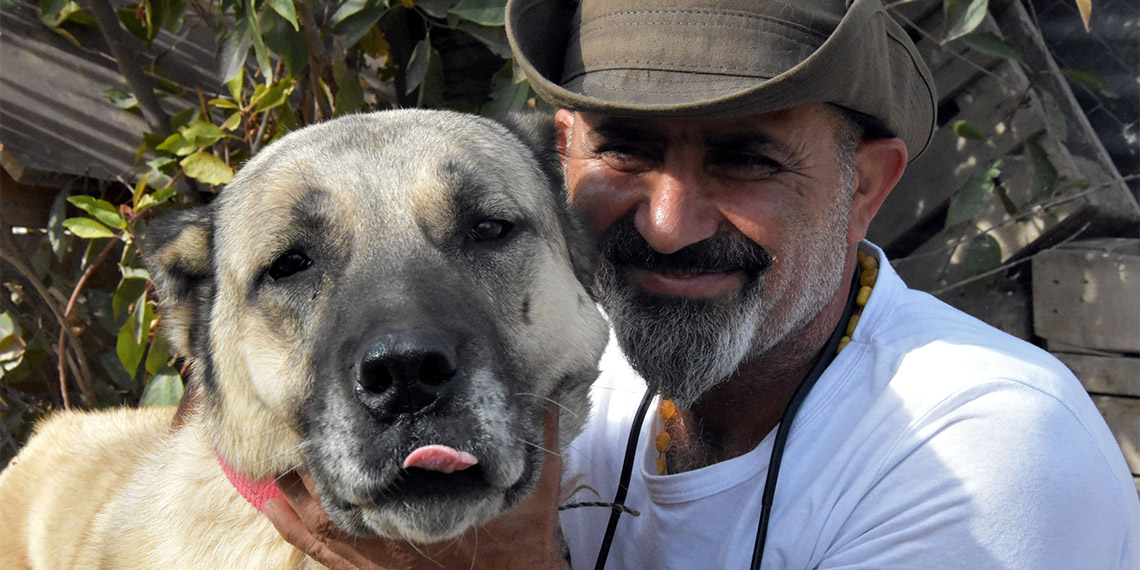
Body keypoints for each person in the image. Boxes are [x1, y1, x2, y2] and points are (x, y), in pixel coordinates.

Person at [263, 0, 1140, 567]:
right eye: (627, 149)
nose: (667, 224)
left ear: (865, 188)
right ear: (565, 152)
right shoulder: (566, 362)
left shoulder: (984, 449)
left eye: (746, 159)